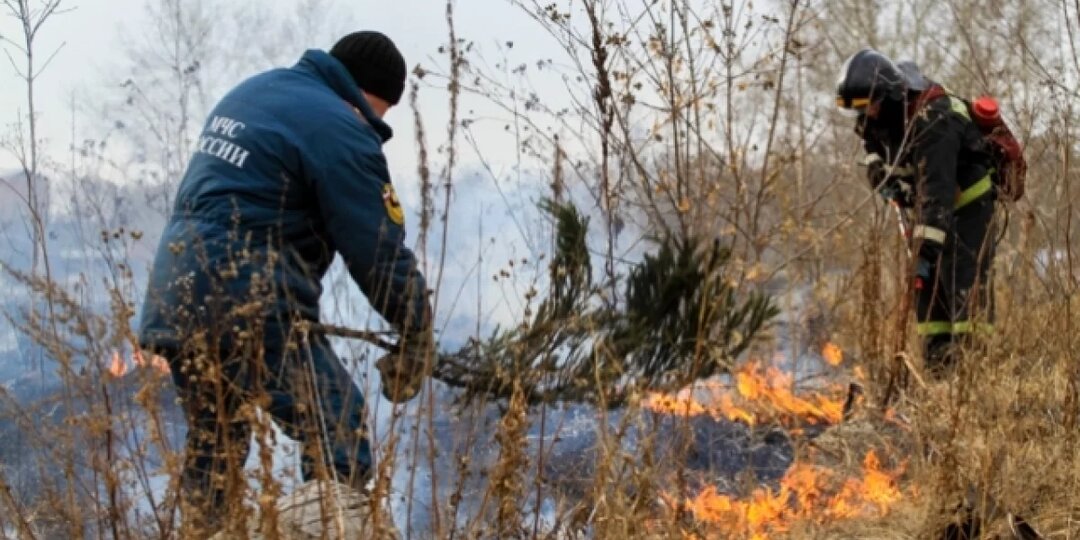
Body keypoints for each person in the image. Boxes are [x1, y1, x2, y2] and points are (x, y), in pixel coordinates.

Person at [137, 30, 434, 534]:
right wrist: (417, 329)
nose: (375, 125)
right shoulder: (341, 126)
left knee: (216, 448)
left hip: (175, 297)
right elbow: (376, 251)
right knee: (337, 425)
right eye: (379, 114)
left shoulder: (256, 91)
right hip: (247, 298)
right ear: (366, 95)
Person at [835, 48, 997, 378]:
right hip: (928, 209)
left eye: (870, 107)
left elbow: (937, 192)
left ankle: (974, 378)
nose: (867, 116)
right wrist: (880, 175)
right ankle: (939, 376)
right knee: (929, 295)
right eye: (860, 110)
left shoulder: (933, 119)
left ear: (890, 95)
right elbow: (871, 146)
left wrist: (924, 251)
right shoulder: (877, 114)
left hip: (968, 207)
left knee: (962, 285)